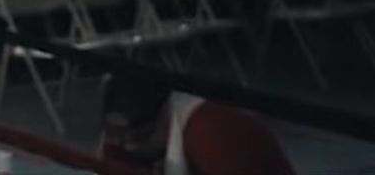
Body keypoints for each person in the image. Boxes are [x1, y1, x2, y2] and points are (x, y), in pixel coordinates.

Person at [99, 75, 296, 175]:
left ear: (165, 113)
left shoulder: (211, 132)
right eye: (118, 137)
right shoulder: (119, 138)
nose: (130, 146)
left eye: (141, 137)